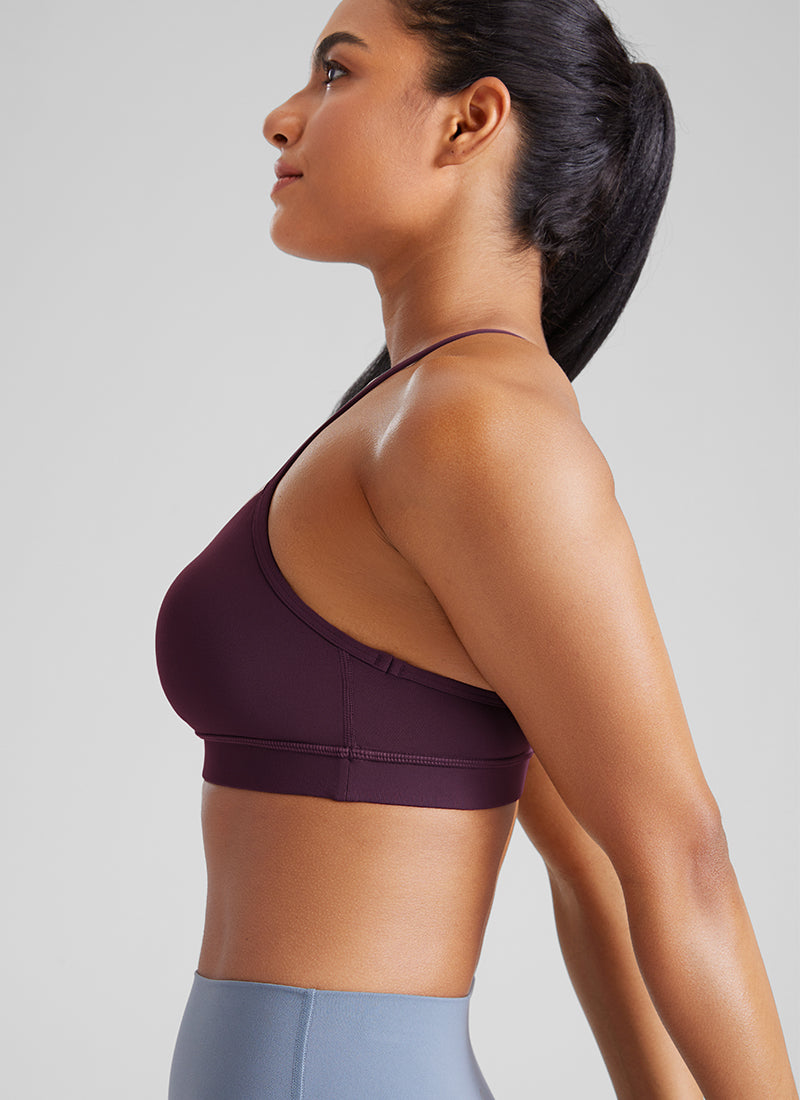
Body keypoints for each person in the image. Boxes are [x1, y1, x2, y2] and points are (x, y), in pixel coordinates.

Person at [155, 0, 798, 1095]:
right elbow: (587, 859)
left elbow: (676, 860)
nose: (282, 117)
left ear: (469, 121)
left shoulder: (475, 423)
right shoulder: (415, 414)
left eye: (335, 73)